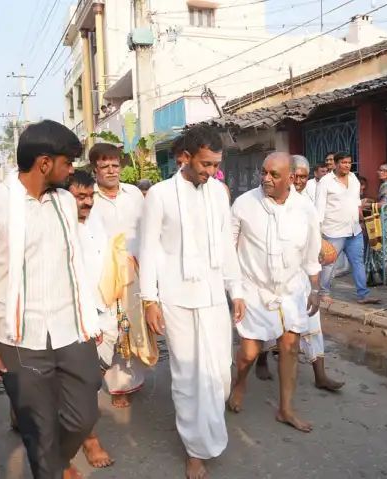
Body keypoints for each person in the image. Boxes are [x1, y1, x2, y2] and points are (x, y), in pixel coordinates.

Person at [0, 120, 102, 478]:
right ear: (44, 163)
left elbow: (75, 263)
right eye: (67, 163)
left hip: (72, 328)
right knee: (39, 433)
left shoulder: (66, 202)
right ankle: (50, 469)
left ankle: (57, 463)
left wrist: (92, 315)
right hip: (19, 337)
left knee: (84, 416)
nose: (71, 170)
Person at [140, 125, 245, 479]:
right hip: (176, 298)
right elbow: (149, 250)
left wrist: (236, 290)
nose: (210, 171)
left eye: (216, 164)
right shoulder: (160, 195)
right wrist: (150, 300)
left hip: (213, 296)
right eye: (205, 164)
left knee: (219, 374)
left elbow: (226, 246)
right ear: (185, 158)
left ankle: (208, 432)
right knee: (188, 377)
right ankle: (194, 450)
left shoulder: (218, 193)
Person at [229, 153, 330, 434]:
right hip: (253, 289)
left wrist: (315, 289)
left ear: (290, 178)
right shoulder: (244, 204)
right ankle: (239, 382)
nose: (266, 178)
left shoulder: (305, 208)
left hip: (291, 289)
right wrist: (235, 292)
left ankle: (285, 409)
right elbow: (228, 248)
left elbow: (311, 253)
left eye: (274, 174)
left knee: (290, 347)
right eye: (263, 172)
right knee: (249, 352)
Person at [253, 155, 344, 391]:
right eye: (297, 176)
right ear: (289, 175)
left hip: (302, 277)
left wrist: (319, 254)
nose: (301, 181)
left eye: (304, 176)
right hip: (271, 277)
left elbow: (313, 237)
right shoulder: (263, 201)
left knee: (312, 323)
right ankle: (261, 360)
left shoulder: (306, 204)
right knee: (269, 323)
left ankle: (320, 374)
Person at [89, 142, 149, 409]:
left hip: (135, 271)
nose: (111, 170)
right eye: (105, 166)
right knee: (110, 329)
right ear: (95, 170)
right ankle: (109, 383)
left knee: (133, 326)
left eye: (115, 165)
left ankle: (128, 383)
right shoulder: (88, 197)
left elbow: (146, 229)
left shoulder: (134, 194)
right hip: (102, 276)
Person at [67, 170, 115, 470]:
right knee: (81, 382)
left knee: (95, 376)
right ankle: (89, 439)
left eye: (90, 196)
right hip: (73, 318)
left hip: (104, 309)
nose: (86, 203)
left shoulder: (96, 220)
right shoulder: (59, 228)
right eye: (79, 197)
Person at [316, 152, 378, 304]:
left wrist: (362, 219)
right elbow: (319, 208)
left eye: (349, 163)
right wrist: (318, 233)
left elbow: (356, 203)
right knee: (329, 263)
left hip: (354, 230)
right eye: (343, 162)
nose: (347, 165)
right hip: (333, 231)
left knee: (358, 262)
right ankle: (323, 293)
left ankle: (363, 295)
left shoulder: (354, 179)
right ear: (336, 164)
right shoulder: (325, 182)